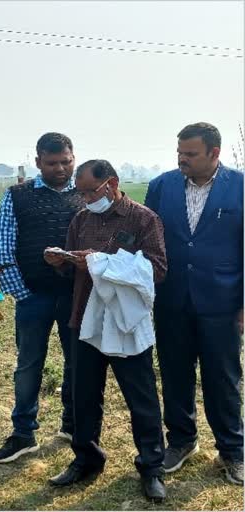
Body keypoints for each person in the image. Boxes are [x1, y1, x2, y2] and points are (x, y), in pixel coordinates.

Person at [46, 159, 167, 502]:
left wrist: (102, 261)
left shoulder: (143, 219)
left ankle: (152, 466)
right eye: (79, 192)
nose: (84, 199)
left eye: (89, 191)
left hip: (125, 323)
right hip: (84, 318)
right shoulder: (81, 219)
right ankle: (86, 459)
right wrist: (63, 262)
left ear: (111, 184)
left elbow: (157, 269)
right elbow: (75, 269)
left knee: (140, 397)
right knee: (83, 394)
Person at [144, 122, 243, 485]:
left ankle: (233, 450)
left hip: (223, 301)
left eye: (191, 154)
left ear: (214, 153)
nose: (182, 159)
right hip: (172, 300)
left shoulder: (241, 187)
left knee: (223, 378)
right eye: (179, 153)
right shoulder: (160, 187)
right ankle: (182, 441)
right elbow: (149, 241)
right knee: (174, 374)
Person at [0, 132, 84, 463]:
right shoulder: (17, 195)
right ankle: (23, 433)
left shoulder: (85, 195)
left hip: (76, 298)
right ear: (37, 162)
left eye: (66, 162)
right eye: (52, 163)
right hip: (34, 297)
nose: (60, 169)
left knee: (77, 363)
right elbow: (3, 248)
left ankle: (74, 426)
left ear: (74, 158)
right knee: (29, 365)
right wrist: (23, 293)